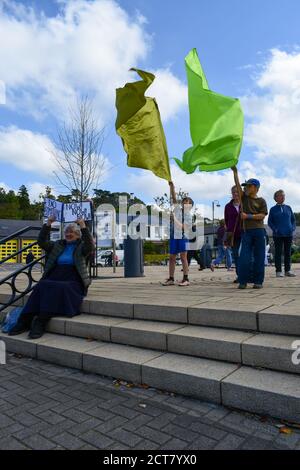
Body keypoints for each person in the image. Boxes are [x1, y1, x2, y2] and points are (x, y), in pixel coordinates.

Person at [8, 216, 94, 339]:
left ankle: (41, 321)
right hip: (56, 274)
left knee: (59, 287)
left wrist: (83, 226)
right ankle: (25, 320)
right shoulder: (58, 245)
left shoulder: (82, 247)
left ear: (78, 235)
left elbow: (90, 245)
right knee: (42, 285)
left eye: (72, 233)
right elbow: (41, 242)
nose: (69, 234)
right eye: (67, 232)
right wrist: (48, 224)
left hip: (73, 278)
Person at [232, 167, 268, 289]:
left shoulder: (262, 201)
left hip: (259, 231)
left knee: (259, 257)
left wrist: (248, 216)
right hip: (246, 232)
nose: (245, 188)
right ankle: (243, 281)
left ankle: (258, 281)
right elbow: (237, 185)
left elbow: (262, 216)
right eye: (245, 186)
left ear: (255, 188)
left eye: (248, 186)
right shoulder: (244, 198)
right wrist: (235, 173)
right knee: (244, 257)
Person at [162, 182, 194, 287]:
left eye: (188, 202)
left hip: (183, 237)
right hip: (174, 236)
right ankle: (171, 278)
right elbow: (174, 198)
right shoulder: (178, 210)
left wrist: (174, 219)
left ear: (190, 206)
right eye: (184, 201)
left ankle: (186, 278)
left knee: (183, 257)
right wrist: (172, 187)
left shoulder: (189, 216)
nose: (185, 203)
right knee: (172, 257)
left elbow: (184, 227)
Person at [268, 190, 296, 277]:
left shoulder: (288, 208)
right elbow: (270, 222)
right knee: (278, 253)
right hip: (278, 235)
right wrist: (275, 229)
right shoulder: (272, 209)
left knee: (288, 253)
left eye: (283, 195)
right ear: (276, 198)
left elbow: (293, 220)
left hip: (288, 234)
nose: (283, 197)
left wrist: (292, 228)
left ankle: (288, 270)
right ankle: (278, 271)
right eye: (280, 195)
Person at [224, 186, 242, 282]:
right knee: (236, 255)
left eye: (237, 192)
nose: (235, 194)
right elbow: (226, 221)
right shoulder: (228, 206)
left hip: (244, 233)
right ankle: (240, 276)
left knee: (245, 255)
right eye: (233, 192)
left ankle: (248, 274)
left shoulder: (244, 204)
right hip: (233, 234)